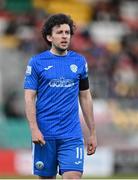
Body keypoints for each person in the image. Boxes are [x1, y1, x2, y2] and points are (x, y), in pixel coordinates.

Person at [24, 13, 97, 179]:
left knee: (73, 177)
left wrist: (92, 132)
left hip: (71, 135)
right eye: (59, 32)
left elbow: (85, 96)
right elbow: (29, 97)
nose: (64, 36)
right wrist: (34, 129)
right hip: (44, 135)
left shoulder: (79, 62)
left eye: (67, 32)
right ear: (49, 37)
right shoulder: (36, 62)